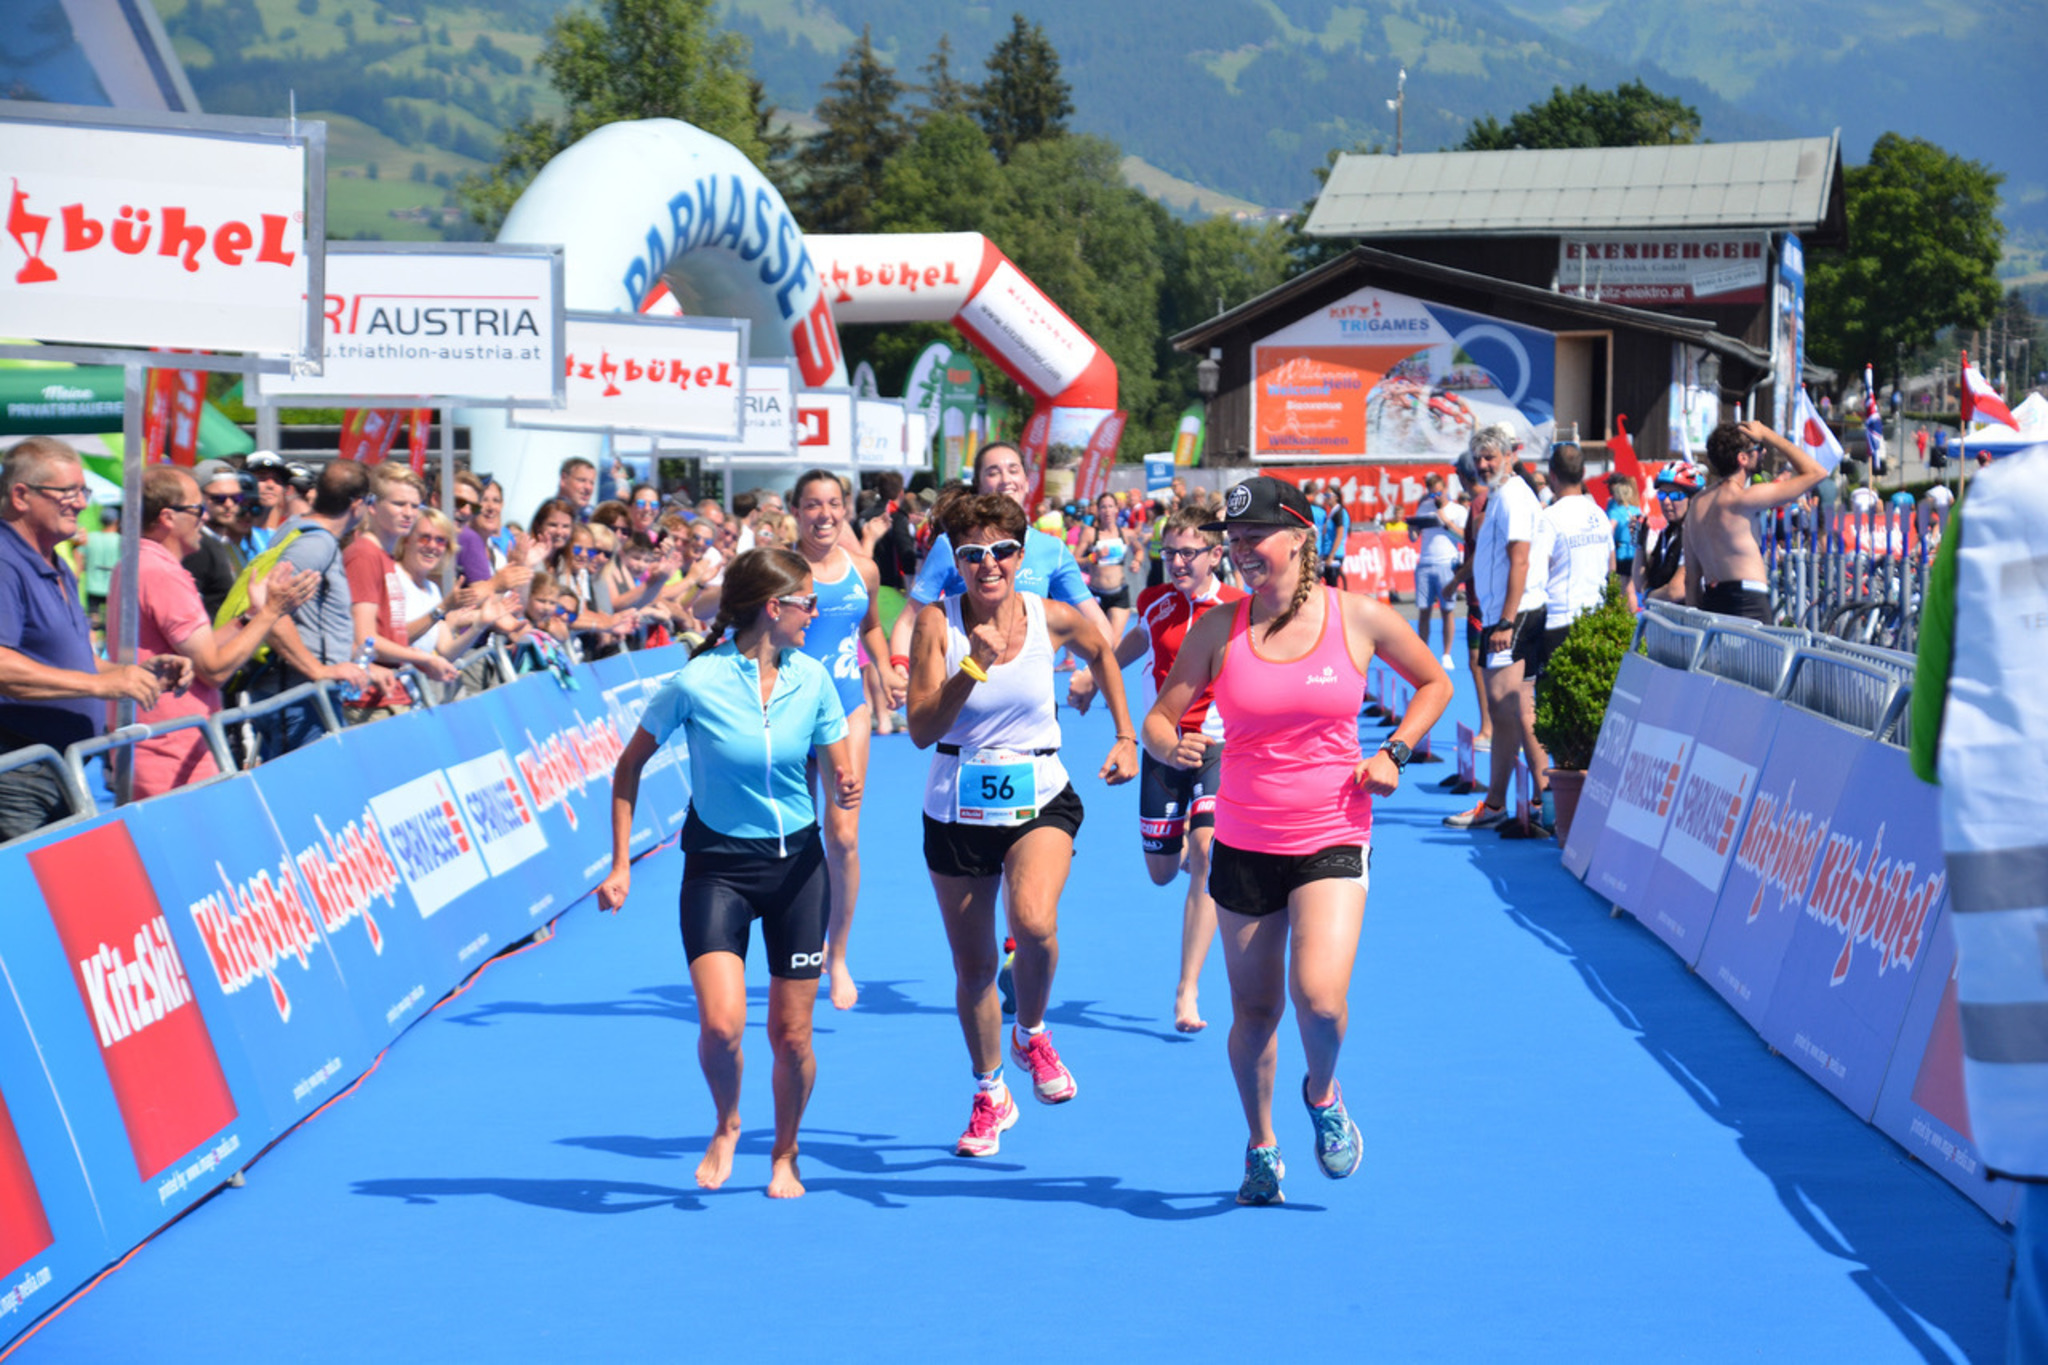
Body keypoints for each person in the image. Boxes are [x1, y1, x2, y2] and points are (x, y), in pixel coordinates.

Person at [1144, 476, 1450, 1205]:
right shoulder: (1220, 628)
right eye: (1234, 541)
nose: (1242, 552)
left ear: (1302, 536)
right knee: (1254, 1013)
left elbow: (1434, 683)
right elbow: (1162, 717)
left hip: (1333, 830)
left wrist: (1395, 753)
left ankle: (1322, 1091)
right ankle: (1261, 1144)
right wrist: (1167, 746)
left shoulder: (1358, 618)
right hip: (1245, 838)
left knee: (1319, 999)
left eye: (1255, 538)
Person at [596, 548, 861, 1199]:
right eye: (806, 602)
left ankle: (787, 1150)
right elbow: (627, 767)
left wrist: (843, 782)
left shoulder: (814, 678)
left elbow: (834, 762)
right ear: (774, 608)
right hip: (717, 870)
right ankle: (727, 1121)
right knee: (721, 1026)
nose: (815, 613)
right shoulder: (695, 682)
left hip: (798, 871)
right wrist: (620, 862)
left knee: (791, 1035)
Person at [906, 492, 1138, 1158]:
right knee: (974, 965)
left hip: (1038, 792)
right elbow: (921, 729)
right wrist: (970, 666)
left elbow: (1104, 649)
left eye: (1002, 550)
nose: (989, 565)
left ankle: (1032, 1029)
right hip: (955, 801)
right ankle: (990, 1092)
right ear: (956, 559)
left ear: (1021, 551)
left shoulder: (1052, 617)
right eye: (972, 553)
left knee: (1033, 921)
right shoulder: (935, 624)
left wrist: (1124, 735)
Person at [1083, 503, 1243, 1032]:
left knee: (1205, 852)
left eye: (1188, 553)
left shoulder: (1240, 607)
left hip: (1217, 745)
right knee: (1160, 872)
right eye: (1168, 552)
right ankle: (1182, 861)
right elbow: (1126, 650)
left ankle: (1187, 989)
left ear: (1216, 555)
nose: (1176, 562)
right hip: (1161, 746)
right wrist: (1091, 678)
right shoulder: (1153, 603)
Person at [0, 438, 178, 839]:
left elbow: (74, 660)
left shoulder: (55, 561)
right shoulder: (5, 561)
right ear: (21, 495)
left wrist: (136, 673)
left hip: (61, 766)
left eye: (84, 491)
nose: (81, 504)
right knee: (36, 896)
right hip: (20, 773)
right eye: (68, 492)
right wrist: (99, 685)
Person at [108, 467, 316, 799]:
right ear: (167, 517)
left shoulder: (139, 563)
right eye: (197, 509)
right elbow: (214, 669)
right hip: (172, 757)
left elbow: (199, 652)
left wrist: (250, 616)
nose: (204, 518)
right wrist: (271, 613)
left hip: (161, 749)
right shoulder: (161, 572)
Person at [888, 442, 1116, 707]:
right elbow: (907, 621)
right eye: (993, 472)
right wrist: (900, 668)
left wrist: (1091, 674)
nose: (1006, 479)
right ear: (978, 484)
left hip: (1033, 710)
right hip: (964, 705)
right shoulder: (951, 544)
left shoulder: (1051, 549)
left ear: (1027, 482)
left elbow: (1100, 627)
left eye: (1013, 470)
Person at [788, 469, 893, 1010]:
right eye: (812, 504)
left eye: (833, 503)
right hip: (783, 717)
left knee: (844, 836)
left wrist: (888, 669)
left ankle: (839, 954)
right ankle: (795, 949)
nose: (824, 514)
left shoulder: (864, 570)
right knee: (790, 839)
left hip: (845, 713)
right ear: (796, 511)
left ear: (846, 508)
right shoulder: (777, 571)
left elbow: (870, 625)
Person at [1445, 425, 1553, 832]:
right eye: (1480, 458)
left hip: (1516, 615)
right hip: (1504, 614)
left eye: (1492, 456)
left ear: (1509, 455)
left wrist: (1506, 620)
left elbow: (1520, 560)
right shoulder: (1500, 495)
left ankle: (1539, 801)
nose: (1485, 464)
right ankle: (1503, 803)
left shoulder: (1512, 497)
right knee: (1508, 711)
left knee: (1515, 710)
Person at [255, 460, 378, 757]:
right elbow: (264, 604)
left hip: (309, 696)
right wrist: (318, 670)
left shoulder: (301, 531)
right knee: (300, 797)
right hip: (300, 698)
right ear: (358, 505)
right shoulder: (315, 544)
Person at [344, 465, 458, 717]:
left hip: (393, 694)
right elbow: (365, 639)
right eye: (399, 504)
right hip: (368, 700)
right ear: (372, 506)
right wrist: (423, 658)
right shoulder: (364, 555)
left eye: (414, 506)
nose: (408, 513)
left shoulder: (382, 556)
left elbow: (391, 634)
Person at [1686, 421, 1826, 623]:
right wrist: (1769, 433)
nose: (1764, 452)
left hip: (1711, 602)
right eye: (1759, 447)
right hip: (1747, 604)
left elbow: (1691, 580)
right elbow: (1816, 472)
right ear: (1742, 458)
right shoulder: (1743, 498)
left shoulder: (1697, 505)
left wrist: (1695, 624)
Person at [1535, 444, 1615, 697]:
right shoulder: (1599, 514)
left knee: (1553, 702)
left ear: (1552, 476)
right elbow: (1611, 567)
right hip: (1594, 616)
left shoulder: (1549, 518)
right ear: (1583, 473)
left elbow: (1538, 569)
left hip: (1559, 620)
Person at [1449, 452, 1493, 750]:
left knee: (1478, 662)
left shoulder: (1480, 502)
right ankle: (1493, 728)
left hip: (1481, 597)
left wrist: (1454, 581)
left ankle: (1489, 729)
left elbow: (1480, 554)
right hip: (1489, 594)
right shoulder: (1489, 499)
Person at [1409, 473, 1462, 667]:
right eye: (1432, 494)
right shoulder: (1423, 507)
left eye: (1439, 493)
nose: (1436, 497)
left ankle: (1446, 654)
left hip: (1446, 563)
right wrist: (1412, 529)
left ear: (1446, 489)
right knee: (1424, 610)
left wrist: (1447, 522)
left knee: (1448, 610)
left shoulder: (1457, 510)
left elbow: (1465, 537)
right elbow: (1414, 537)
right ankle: (1423, 653)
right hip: (1425, 563)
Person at [184, 463, 248, 620]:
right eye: (219, 499)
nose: (229, 504)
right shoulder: (197, 546)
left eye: (236, 498)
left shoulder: (228, 543)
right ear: (199, 498)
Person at [1078, 491, 1138, 645]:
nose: (1107, 511)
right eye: (1103, 507)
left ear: (1117, 509)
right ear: (1097, 510)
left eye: (1110, 506)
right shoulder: (1090, 533)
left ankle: (1111, 669)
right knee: (1098, 643)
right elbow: (1074, 560)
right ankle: (1092, 669)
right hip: (1096, 595)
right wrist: (1092, 557)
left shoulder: (1126, 534)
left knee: (1114, 641)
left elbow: (1140, 550)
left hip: (1119, 594)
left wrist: (1137, 561)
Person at [1635, 463, 1698, 605]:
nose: (1667, 502)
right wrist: (1639, 543)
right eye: (1662, 495)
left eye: (1676, 495)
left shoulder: (1694, 534)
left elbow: (1676, 591)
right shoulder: (1667, 534)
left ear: (1692, 499)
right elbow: (1640, 584)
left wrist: (1649, 595)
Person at [239, 451, 293, 558]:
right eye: (262, 478)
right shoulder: (235, 533)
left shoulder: (279, 537)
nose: (270, 485)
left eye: (277, 480)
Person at [1604, 473, 1642, 610]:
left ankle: (1621, 617)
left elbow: (1609, 529)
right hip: (1633, 552)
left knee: (1620, 588)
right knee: (1631, 589)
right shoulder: (1636, 510)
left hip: (1620, 552)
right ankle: (1633, 618)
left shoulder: (1616, 511)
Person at [1315, 488, 1350, 588]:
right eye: (1325, 496)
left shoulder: (1339, 512)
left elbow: (1340, 534)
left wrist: (1331, 555)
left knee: (1332, 585)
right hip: (1327, 552)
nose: (1326, 498)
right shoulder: (1332, 512)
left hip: (1334, 554)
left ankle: (1334, 603)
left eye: (1328, 496)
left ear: (1336, 498)